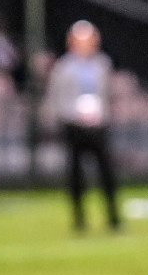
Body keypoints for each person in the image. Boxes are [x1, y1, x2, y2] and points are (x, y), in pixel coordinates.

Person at [48, 20, 119, 233]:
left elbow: (109, 95)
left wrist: (102, 116)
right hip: (74, 126)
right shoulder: (63, 67)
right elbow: (56, 98)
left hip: (98, 126)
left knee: (107, 172)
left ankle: (113, 217)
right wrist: (71, 117)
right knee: (75, 175)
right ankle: (79, 219)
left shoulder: (102, 64)